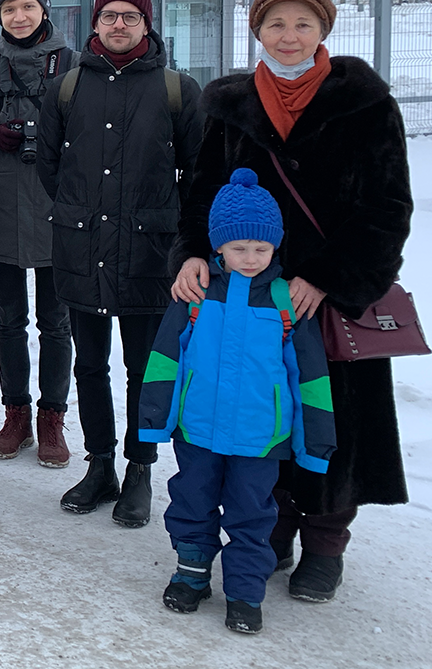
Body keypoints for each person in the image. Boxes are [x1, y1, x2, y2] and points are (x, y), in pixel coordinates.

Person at [169, 0, 412, 603]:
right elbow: (201, 195)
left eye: (303, 24)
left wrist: (330, 277)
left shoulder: (363, 101)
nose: (289, 36)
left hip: (326, 301)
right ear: (257, 31)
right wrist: (193, 254)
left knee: (334, 419)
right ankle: (269, 529)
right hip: (248, 299)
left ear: (323, 30)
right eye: (276, 24)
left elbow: (387, 207)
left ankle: (327, 542)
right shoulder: (229, 104)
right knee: (260, 414)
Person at [143, 169, 336, 635]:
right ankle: (191, 573)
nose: (250, 258)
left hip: (260, 438)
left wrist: (316, 444)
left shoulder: (285, 302)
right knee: (191, 501)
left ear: (275, 247)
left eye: (261, 249)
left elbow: (310, 378)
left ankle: (246, 591)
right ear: (218, 247)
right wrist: (153, 421)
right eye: (239, 249)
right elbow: (166, 360)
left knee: (253, 515)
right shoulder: (196, 293)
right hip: (199, 430)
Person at [37, 0, 202, 527]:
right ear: (94, 22)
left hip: (148, 253)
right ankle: (100, 463)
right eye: (110, 15)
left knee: (141, 369)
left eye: (131, 16)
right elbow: (50, 167)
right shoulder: (66, 87)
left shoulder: (178, 90)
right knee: (88, 365)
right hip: (81, 247)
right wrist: (78, 209)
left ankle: (139, 469)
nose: (119, 25)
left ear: (147, 23)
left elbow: (197, 174)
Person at [0, 0, 76, 466]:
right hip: (1, 212)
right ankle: (16, 415)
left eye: (28, 6)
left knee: (56, 323)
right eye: (9, 9)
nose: (20, 16)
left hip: (60, 214)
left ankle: (52, 418)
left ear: (44, 10)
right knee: (9, 322)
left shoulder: (74, 68)